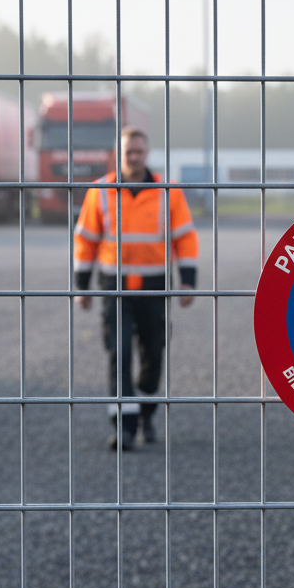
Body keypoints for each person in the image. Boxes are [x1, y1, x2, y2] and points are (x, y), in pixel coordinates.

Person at [73, 126, 199, 450]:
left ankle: (146, 415)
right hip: (115, 287)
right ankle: (124, 427)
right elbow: (85, 239)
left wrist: (188, 281)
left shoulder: (168, 191)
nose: (133, 156)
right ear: (120, 154)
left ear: (147, 153)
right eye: (128, 151)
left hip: (155, 287)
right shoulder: (100, 190)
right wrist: (81, 286)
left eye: (139, 151)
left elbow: (184, 236)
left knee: (153, 354)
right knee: (119, 354)